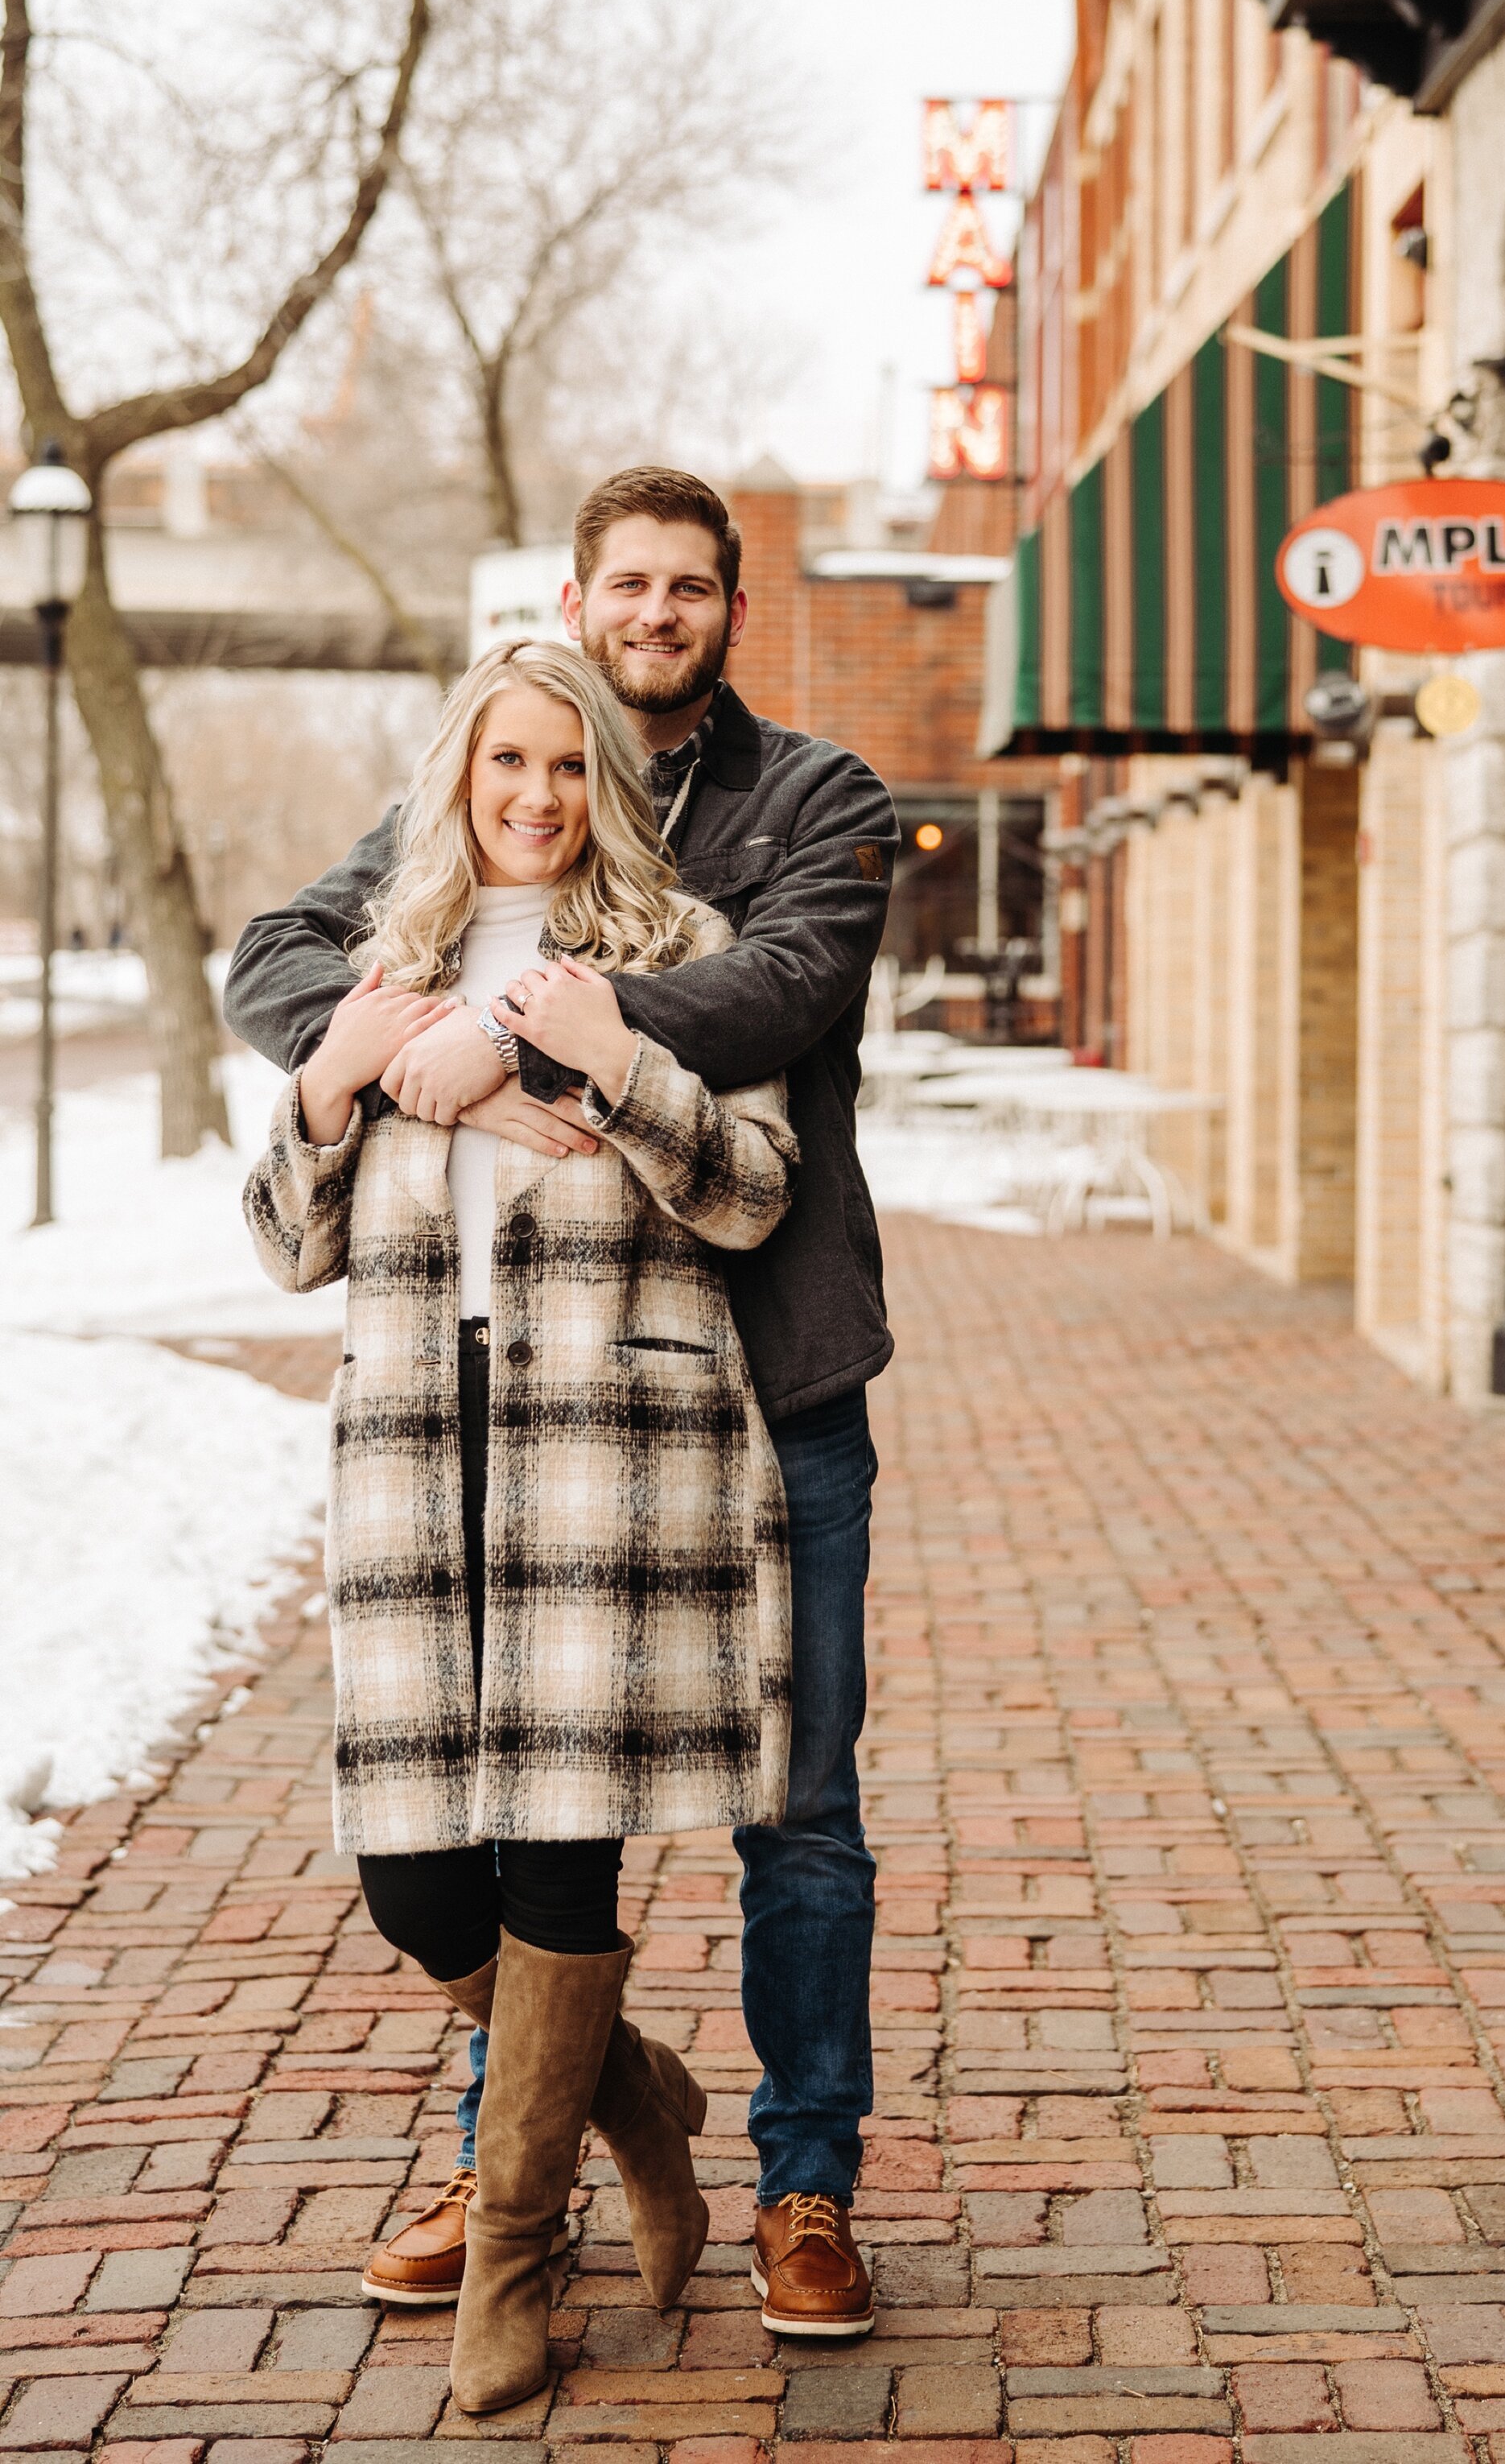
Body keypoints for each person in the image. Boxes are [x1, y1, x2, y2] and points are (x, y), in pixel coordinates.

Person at [225, 469, 896, 2343]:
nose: (657, 609)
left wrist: (536, 1038)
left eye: (691, 585)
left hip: (761, 1366)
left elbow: (775, 990)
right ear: (580, 597)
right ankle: (545, 2137)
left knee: (793, 1812)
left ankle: (795, 2182)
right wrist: (385, 1067)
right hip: (478, 1421)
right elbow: (286, 957)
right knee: (465, 1833)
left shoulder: (802, 804)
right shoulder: (489, 795)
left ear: (725, 612)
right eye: (629, 581)